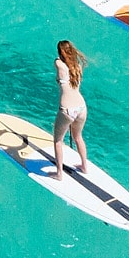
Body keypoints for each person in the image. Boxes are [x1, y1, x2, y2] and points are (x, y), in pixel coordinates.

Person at [52, 39, 88, 178]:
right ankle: (84, 166)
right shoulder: (77, 66)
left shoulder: (60, 65)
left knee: (58, 141)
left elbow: (56, 60)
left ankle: (59, 173)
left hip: (67, 110)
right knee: (78, 137)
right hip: (81, 108)